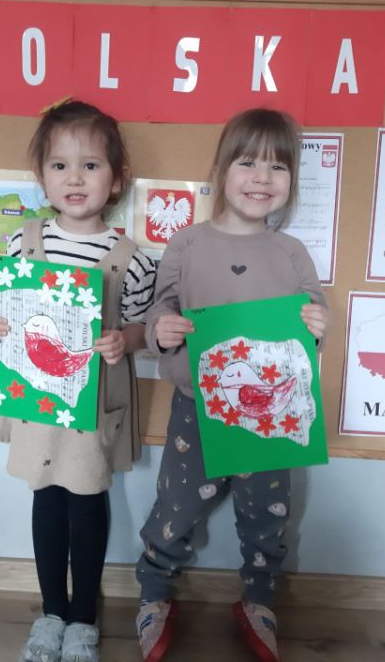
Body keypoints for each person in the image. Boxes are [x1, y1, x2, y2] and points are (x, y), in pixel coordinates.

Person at [134, 108, 330, 662]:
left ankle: (259, 598)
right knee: (175, 507)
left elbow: (311, 326)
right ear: (221, 170)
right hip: (196, 407)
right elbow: (160, 310)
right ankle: (154, 591)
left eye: (278, 167)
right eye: (248, 163)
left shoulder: (291, 252)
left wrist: (318, 327)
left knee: (268, 512)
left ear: (291, 179)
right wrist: (161, 330)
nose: (262, 178)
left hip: (270, 415)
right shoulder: (187, 243)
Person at [0, 99, 156, 662]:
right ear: (42, 177)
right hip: (37, 402)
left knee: (87, 499)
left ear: (116, 179)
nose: (74, 178)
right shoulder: (21, 243)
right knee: (45, 497)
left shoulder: (131, 258)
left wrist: (126, 339)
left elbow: (146, 329)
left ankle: (83, 619)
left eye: (90, 165)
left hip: (92, 407)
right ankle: (51, 611)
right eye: (60, 165)